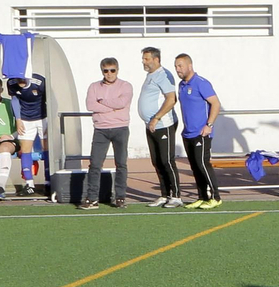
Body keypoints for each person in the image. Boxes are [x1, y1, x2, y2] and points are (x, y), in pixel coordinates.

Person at [82, 57, 133, 209]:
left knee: (121, 164)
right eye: (106, 71)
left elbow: (122, 103)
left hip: (121, 128)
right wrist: (111, 107)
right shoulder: (94, 86)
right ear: (102, 71)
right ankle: (92, 199)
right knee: (95, 165)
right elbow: (90, 105)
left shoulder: (126, 86)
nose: (109, 74)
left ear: (117, 70)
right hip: (101, 130)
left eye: (112, 70)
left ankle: (120, 197)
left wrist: (102, 102)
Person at [174, 53, 222, 208]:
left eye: (180, 66)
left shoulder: (201, 83)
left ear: (189, 66)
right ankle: (201, 196)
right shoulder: (182, 85)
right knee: (195, 166)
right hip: (188, 133)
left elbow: (215, 104)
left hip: (201, 133)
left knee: (203, 164)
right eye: (176, 66)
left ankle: (215, 197)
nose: (178, 69)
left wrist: (209, 125)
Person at [137, 47, 182, 206]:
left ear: (156, 59)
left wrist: (156, 118)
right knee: (156, 161)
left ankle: (176, 196)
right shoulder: (151, 75)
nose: (144, 61)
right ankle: (165, 194)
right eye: (143, 58)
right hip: (151, 125)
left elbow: (171, 99)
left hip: (163, 124)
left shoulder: (163, 75)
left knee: (167, 160)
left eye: (147, 59)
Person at [6, 70, 47, 196]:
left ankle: (50, 182)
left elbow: (49, 99)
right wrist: (18, 119)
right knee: (25, 150)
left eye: (23, 77)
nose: (20, 81)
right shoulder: (12, 82)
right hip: (25, 119)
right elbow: (15, 100)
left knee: (47, 148)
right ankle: (30, 184)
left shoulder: (39, 81)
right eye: (18, 78)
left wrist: (49, 119)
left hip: (42, 117)